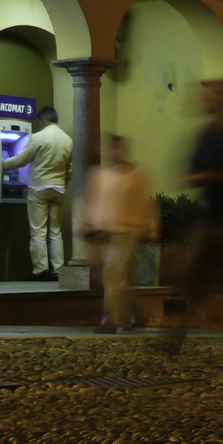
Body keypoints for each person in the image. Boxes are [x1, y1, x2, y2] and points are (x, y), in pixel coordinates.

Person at [159, 81, 223, 361]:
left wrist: (207, 176)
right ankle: (172, 338)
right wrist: (198, 177)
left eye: (205, 100)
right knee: (191, 278)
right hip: (212, 218)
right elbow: (193, 169)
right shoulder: (206, 134)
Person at [79, 134, 160, 334]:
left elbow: (146, 202)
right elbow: (90, 200)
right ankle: (137, 316)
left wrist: (152, 226)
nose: (112, 152)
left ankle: (112, 319)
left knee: (112, 275)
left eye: (116, 147)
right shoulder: (98, 174)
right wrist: (87, 224)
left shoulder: (135, 173)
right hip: (104, 232)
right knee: (120, 278)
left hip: (128, 231)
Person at [2, 106, 73, 280]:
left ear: (42, 119)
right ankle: (58, 270)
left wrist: (3, 164)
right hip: (58, 189)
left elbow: (21, 159)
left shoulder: (38, 137)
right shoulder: (67, 140)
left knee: (38, 231)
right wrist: (63, 182)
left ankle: (40, 270)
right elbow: (70, 169)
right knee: (55, 231)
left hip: (39, 188)